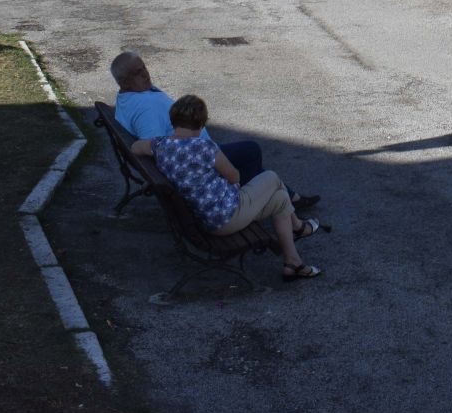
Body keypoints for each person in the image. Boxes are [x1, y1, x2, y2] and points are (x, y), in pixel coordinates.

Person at [135, 93, 322, 280]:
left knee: (280, 199)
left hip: (205, 217)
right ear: (201, 124)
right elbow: (234, 176)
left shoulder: (160, 145)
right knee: (272, 178)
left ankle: (292, 263)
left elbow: (135, 147)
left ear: (173, 121)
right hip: (226, 216)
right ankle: (298, 227)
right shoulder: (206, 147)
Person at [109, 52, 317, 211]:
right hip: (195, 158)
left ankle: (279, 196)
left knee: (249, 154)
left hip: (196, 149)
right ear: (125, 82)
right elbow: (157, 146)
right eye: (138, 72)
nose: (146, 74)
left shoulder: (130, 97)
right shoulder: (145, 107)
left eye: (144, 67)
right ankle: (269, 198)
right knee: (250, 153)